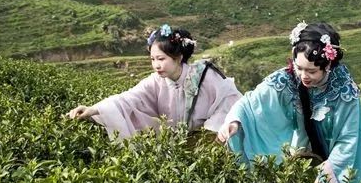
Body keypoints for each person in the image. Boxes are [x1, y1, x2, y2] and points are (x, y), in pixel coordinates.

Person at [217, 22, 361, 183]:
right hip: (301, 155)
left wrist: (330, 169)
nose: (304, 76)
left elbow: (349, 138)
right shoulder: (287, 78)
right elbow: (250, 103)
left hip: (338, 158)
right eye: (299, 68)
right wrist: (234, 121)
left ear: (328, 66)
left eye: (312, 71)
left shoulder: (344, 91)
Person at [67, 24, 242, 140]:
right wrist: (94, 109)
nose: (156, 65)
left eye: (161, 58)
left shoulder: (204, 75)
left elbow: (229, 101)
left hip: (211, 139)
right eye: (152, 59)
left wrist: (212, 131)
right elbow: (129, 98)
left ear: (179, 57)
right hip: (179, 144)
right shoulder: (156, 81)